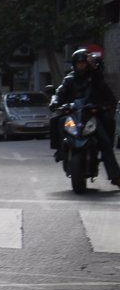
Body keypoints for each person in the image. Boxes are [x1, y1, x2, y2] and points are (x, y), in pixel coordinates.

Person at [50, 48, 120, 187]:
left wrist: (101, 106)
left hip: (91, 117)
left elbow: (105, 91)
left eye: (83, 63)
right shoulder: (69, 79)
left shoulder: (95, 79)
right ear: (74, 64)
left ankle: (115, 176)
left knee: (105, 142)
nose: (81, 65)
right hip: (73, 115)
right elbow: (60, 93)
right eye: (79, 63)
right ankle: (59, 150)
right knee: (57, 121)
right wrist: (55, 102)